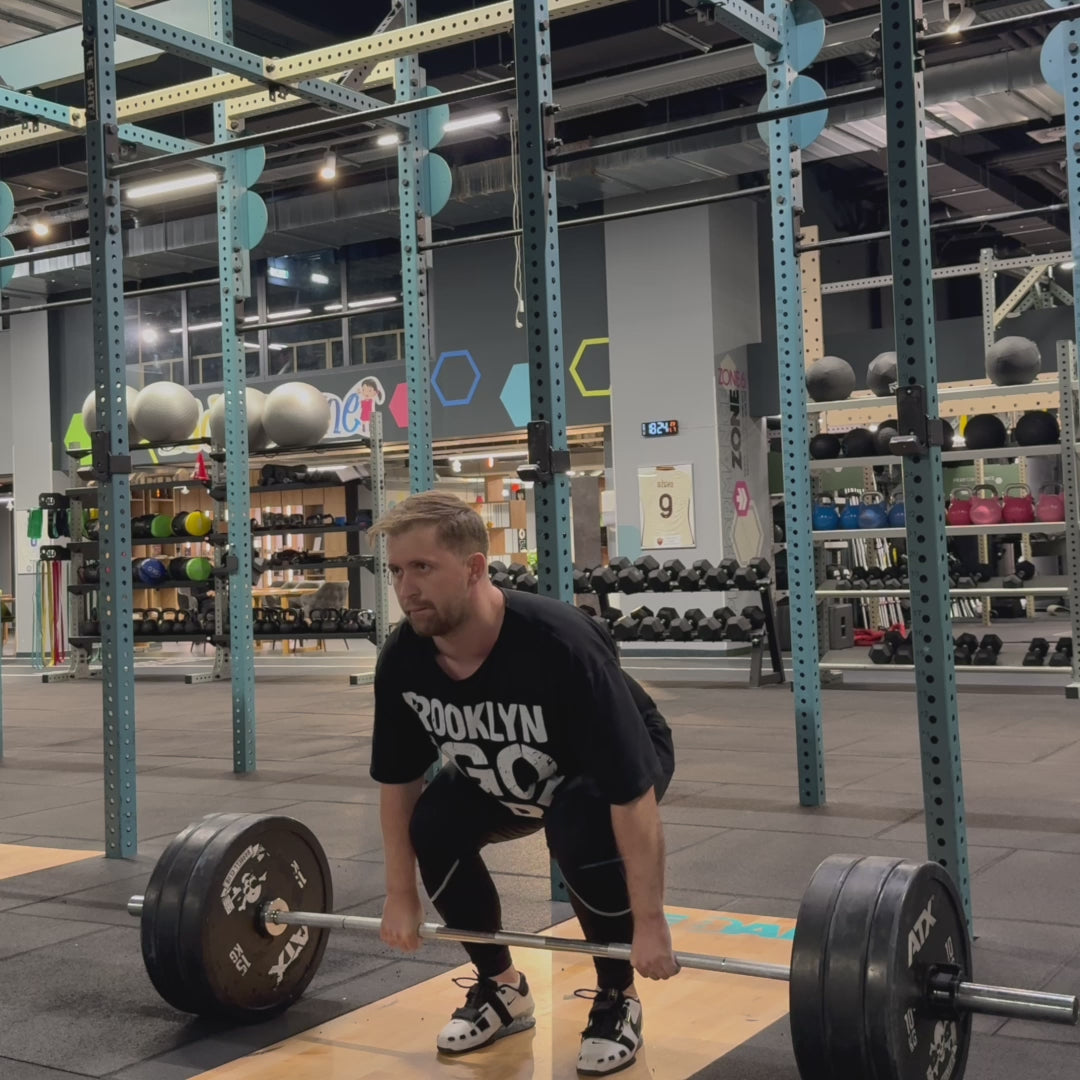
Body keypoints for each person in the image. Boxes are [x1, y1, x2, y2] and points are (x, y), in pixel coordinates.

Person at [369, 491, 677, 1075]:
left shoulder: (560, 644)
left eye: (423, 568)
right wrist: (400, 892)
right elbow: (399, 782)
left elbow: (630, 792)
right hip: (504, 765)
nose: (406, 588)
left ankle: (617, 994)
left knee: (577, 821)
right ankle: (503, 988)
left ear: (474, 568)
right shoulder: (404, 658)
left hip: (607, 763)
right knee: (433, 823)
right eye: (397, 571)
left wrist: (650, 921)